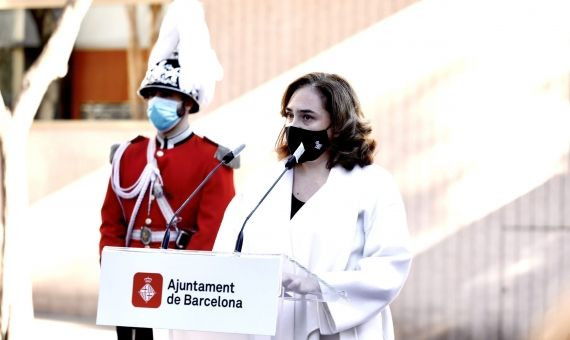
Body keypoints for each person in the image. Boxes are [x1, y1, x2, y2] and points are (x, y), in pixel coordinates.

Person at [205, 72, 412, 340]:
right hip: (268, 329)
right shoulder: (263, 182)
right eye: (289, 115)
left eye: (307, 117)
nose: (294, 125)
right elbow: (225, 254)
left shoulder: (374, 185)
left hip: (337, 330)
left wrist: (319, 286)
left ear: (337, 125)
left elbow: (389, 267)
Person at [99, 1, 235, 340]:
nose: (156, 102)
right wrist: (114, 271)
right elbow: (111, 223)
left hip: (181, 290)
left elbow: (211, 236)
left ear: (188, 103)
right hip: (131, 285)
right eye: (153, 94)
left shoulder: (213, 161)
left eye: (167, 95)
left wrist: (180, 284)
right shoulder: (128, 155)